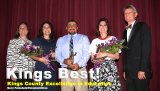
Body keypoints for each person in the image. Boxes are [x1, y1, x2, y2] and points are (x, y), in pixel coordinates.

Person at [122, 4, 152, 91]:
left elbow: (146, 49)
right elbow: (125, 53)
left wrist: (142, 69)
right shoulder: (124, 32)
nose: (127, 14)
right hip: (129, 72)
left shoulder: (143, 26)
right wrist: (125, 70)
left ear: (136, 14)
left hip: (140, 70)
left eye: (129, 12)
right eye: (125, 13)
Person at [55, 20, 90, 91]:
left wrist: (78, 64)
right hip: (65, 70)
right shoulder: (60, 40)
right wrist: (64, 61)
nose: (71, 27)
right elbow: (57, 54)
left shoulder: (83, 38)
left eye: (74, 25)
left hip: (80, 70)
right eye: (69, 25)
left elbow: (87, 53)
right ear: (66, 28)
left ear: (77, 28)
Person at [89, 17, 121, 91]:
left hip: (110, 69)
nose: (103, 27)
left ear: (107, 27)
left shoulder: (113, 39)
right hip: (97, 68)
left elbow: (117, 56)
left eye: (105, 25)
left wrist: (105, 54)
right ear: (98, 28)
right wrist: (96, 60)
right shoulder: (94, 41)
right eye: (101, 25)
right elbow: (92, 59)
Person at [6, 22, 35, 91]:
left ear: (27, 30)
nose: (22, 29)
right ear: (18, 31)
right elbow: (9, 58)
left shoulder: (31, 43)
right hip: (17, 72)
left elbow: (33, 59)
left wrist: (34, 72)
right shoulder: (13, 42)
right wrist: (11, 73)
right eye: (20, 28)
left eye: (24, 28)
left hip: (29, 73)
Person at [32, 21, 58, 91]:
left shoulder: (55, 41)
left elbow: (59, 57)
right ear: (42, 30)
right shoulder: (38, 40)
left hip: (52, 69)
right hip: (40, 67)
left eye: (48, 27)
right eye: (44, 27)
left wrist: (55, 56)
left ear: (51, 29)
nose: (47, 29)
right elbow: (32, 55)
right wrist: (41, 59)